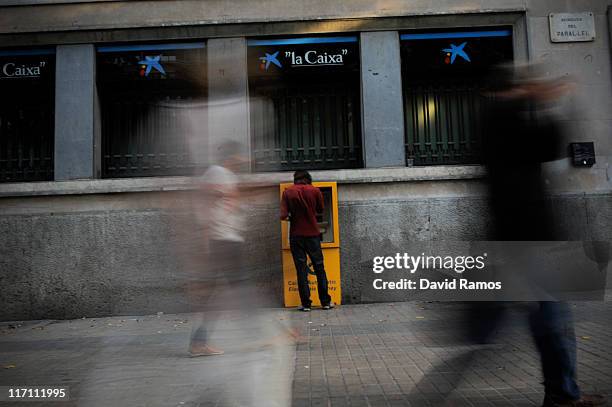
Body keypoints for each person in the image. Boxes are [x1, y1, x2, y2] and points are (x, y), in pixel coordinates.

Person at [280, 170, 333, 312]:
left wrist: (292, 216)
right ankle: (325, 302)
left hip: (296, 235)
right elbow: (321, 210)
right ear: (308, 179)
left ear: (295, 179)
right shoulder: (315, 191)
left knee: (301, 269)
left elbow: (283, 215)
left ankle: (306, 304)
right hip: (313, 234)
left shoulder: (287, 192)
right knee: (319, 268)